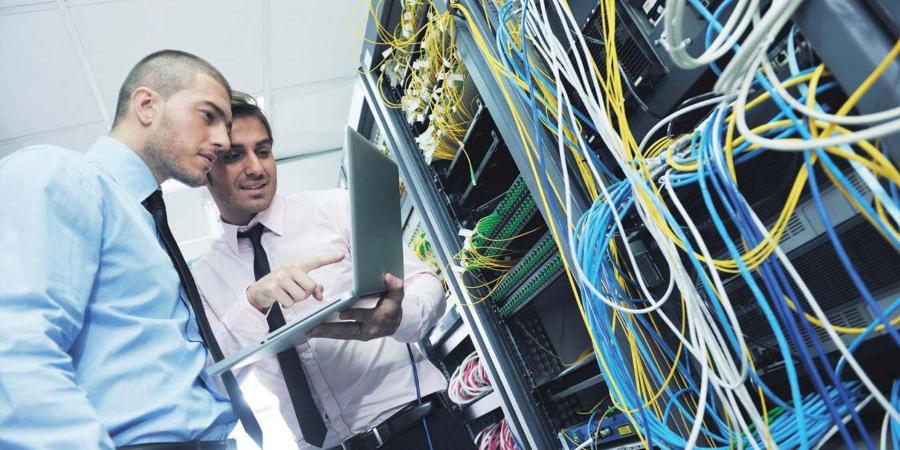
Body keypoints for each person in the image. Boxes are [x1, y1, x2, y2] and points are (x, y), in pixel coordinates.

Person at [0, 50, 262, 450]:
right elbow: (14, 351)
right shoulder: (60, 174)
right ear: (146, 105)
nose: (223, 140)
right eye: (208, 115)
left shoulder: (146, 226)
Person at [192, 91, 477, 450]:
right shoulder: (203, 279)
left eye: (263, 151)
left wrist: (397, 317)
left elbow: (425, 283)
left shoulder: (335, 208)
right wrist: (252, 302)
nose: (256, 167)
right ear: (205, 170)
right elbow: (212, 384)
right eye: (234, 156)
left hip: (415, 426)